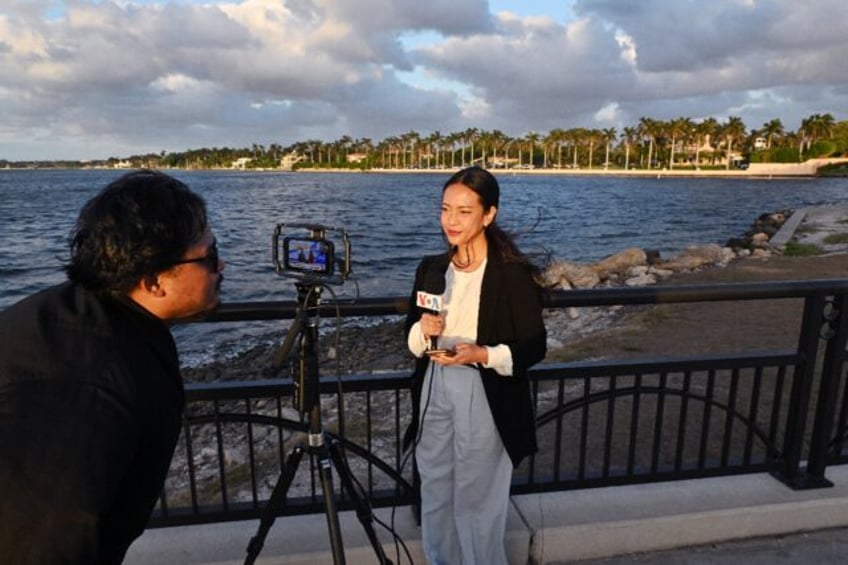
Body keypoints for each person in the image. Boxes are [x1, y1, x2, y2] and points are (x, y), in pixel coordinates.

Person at [0, 170, 224, 564]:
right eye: (209, 256)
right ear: (154, 280)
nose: (222, 266)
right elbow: (47, 539)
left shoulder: (71, 312)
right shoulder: (89, 382)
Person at [404, 166, 547, 564]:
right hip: (434, 384)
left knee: (477, 496)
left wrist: (482, 354)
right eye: (446, 209)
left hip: (484, 389)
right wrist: (422, 329)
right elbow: (411, 341)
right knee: (434, 487)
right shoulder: (431, 268)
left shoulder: (511, 276)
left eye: (464, 211)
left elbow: (534, 346)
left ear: (488, 215)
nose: (451, 220)